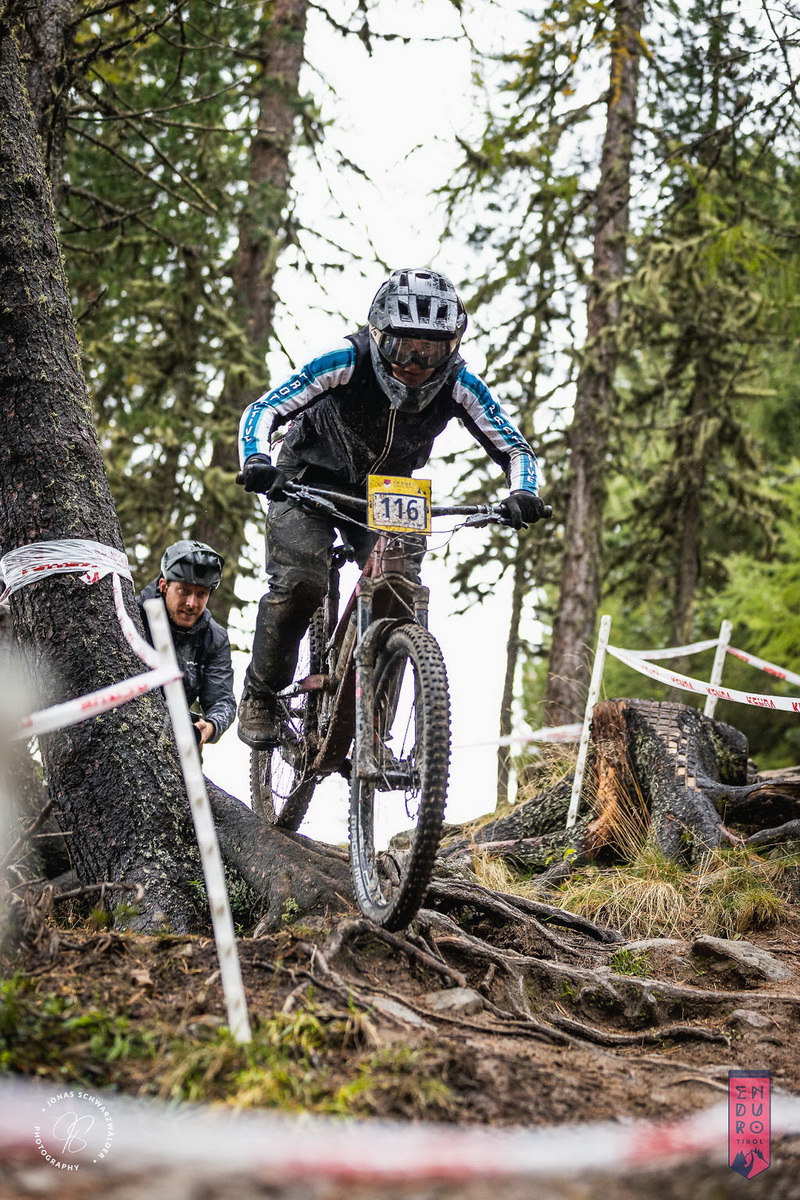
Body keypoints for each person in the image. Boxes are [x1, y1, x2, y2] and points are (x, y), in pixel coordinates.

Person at [236, 267, 548, 748]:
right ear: (379, 336)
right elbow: (265, 408)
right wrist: (257, 460)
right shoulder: (346, 358)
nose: (415, 364)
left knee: (401, 594)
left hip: (389, 491)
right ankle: (261, 694)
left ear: (453, 347)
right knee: (301, 582)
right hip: (308, 476)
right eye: (403, 347)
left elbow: (515, 448)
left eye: (432, 350)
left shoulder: (461, 383)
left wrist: (523, 492)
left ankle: (373, 729)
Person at [137, 540, 236, 747]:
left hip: (171, 743)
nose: (192, 603)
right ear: (163, 586)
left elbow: (221, 699)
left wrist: (210, 727)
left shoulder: (215, 638)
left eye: (201, 594)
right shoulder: (133, 616)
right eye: (184, 590)